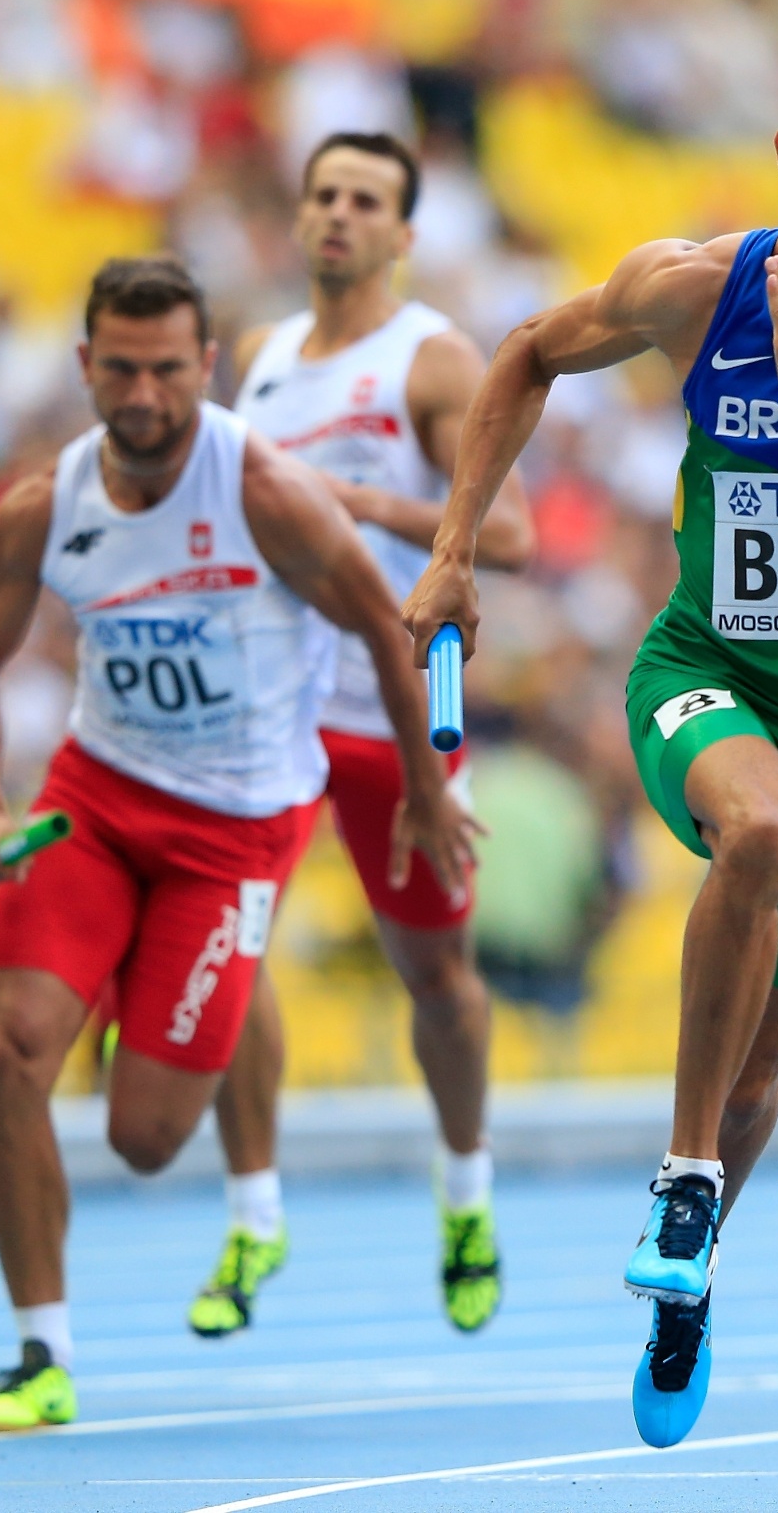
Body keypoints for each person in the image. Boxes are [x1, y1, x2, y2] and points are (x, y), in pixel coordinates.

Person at [404, 39, 778, 1448]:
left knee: (758, 1076)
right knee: (762, 830)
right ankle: (683, 1182)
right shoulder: (696, 287)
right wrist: (452, 551)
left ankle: (693, 1269)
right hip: (707, 672)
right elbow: (524, 353)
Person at [0, 256, 475, 1432]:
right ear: (86, 366)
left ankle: (164, 974)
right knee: (10, 1051)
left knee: (142, 1138)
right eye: (121, 369)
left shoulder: (266, 493)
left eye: (167, 371)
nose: (144, 395)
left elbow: (387, 630)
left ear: (208, 367)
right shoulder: (45, 505)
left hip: (234, 834)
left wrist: (425, 789)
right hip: (93, 803)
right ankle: (40, 1354)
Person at [193, 131, 534, 1340]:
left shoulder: (430, 358)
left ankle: (466, 1191)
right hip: (267, 714)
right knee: (228, 952)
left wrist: (352, 504)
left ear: (403, 232)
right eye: (324, 194)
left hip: (391, 710)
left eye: (366, 199)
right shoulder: (260, 358)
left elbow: (515, 535)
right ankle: (253, 1213)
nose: (340, 213)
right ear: (298, 218)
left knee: (437, 979)